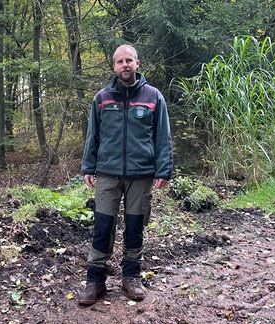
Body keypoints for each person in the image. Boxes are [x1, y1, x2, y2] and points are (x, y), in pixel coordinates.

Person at [78, 44, 173, 305]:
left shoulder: (154, 97)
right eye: (120, 61)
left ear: (137, 64)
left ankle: (131, 277)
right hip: (107, 173)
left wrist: (164, 169)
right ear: (114, 66)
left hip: (141, 174)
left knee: (134, 226)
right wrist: (88, 167)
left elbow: (162, 136)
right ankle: (95, 280)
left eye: (129, 60)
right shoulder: (102, 98)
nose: (125, 65)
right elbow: (92, 136)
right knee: (102, 226)